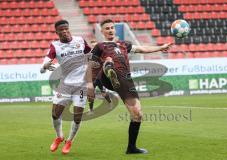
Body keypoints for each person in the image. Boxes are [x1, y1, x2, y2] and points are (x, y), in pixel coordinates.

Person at [90, 19, 173, 154]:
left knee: (137, 114)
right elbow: (92, 66)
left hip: (125, 80)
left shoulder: (124, 45)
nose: (110, 30)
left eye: (112, 28)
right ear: (102, 31)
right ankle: (110, 70)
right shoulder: (99, 46)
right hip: (106, 77)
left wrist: (161, 47)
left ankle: (131, 148)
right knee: (108, 62)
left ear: (114, 29)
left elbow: (142, 49)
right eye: (107, 28)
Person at [40, 19, 94, 154]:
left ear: (69, 29)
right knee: (55, 114)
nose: (65, 32)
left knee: (77, 116)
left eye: (66, 29)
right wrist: (45, 66)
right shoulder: (55, 46)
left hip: (80, 86)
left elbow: (91, 54)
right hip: (65, 85)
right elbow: (44, 65)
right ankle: (59, 136)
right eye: (61, 30)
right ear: (57, 32)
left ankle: (69, 141)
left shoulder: (80, 41)